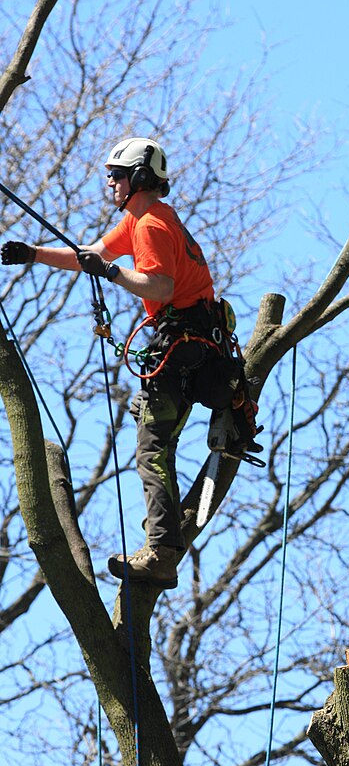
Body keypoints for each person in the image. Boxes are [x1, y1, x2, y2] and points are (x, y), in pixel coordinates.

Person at [2, 137, 218, 590]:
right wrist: (34, 255)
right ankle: (164, 535)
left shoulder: (152, 224)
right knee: (153, 435)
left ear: (139, 177)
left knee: (151, 448)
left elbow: (158, 287)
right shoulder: (142, 219)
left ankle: (160, 551)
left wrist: (115, 274)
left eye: (116, 175)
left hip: (182, 343)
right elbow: (91, 256)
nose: (110, 183)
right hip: (193, 340)